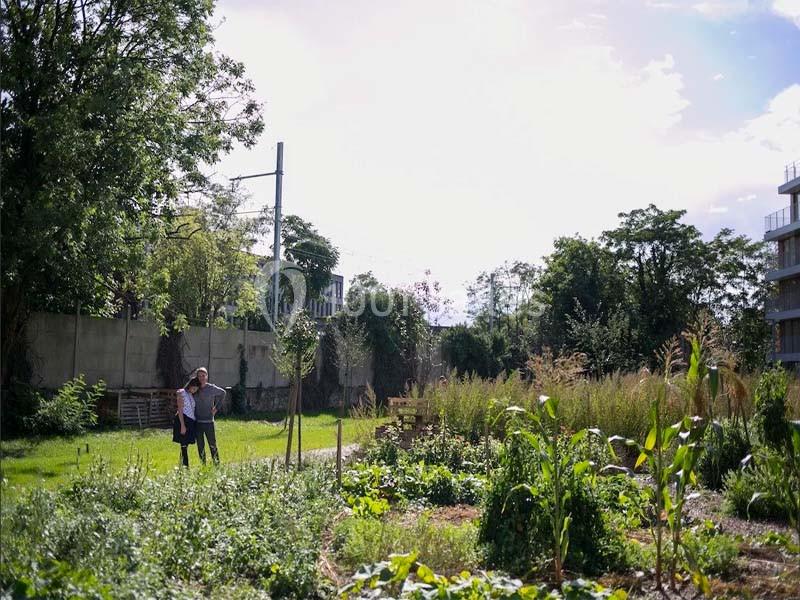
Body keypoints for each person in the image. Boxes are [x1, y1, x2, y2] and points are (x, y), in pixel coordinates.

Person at [192, 367, 226, 465]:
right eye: (199, 376)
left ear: (207, 376)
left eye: (203, 376)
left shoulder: (211, 388)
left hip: (209, 422)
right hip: (197, 421)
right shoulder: (194, 388)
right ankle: (203, 465)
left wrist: (216, 408)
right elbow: (185, 393)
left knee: (212, 445)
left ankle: (217, 465)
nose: (202, 378)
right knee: (200, 445)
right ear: (197, 377)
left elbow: (223, 393)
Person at [172, 377, 200, 467]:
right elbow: (180, 409)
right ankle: (186, 467)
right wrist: (182, 425)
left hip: (191, 421)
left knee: (185, 445)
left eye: (196, 389)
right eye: (194, 388)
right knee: (183, 445)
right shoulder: (182, 393)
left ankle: (181, 466)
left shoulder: (191, 395)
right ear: (190, 385)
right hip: (183, 420)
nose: (195, 390)